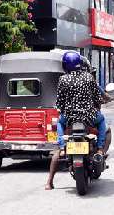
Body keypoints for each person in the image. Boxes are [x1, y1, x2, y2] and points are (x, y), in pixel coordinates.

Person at [45, 52, 107, 190]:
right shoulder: (89, 77)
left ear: (66, 65)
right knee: (102, 121)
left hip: (70, 118)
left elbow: (60, 102)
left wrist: (64, 109)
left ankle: (61, 149)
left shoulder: (63, 79)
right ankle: (101, 149)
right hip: (89, 117)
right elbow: (97, 98)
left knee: (59, 123)